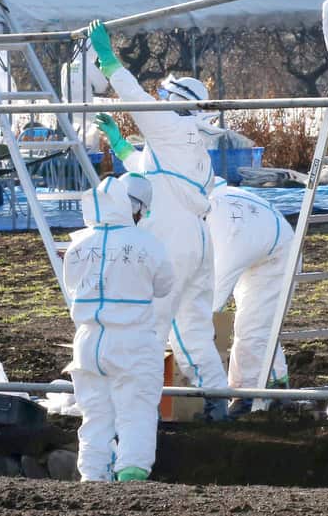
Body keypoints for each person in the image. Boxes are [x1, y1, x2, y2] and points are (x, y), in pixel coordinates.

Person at [87, 21, 228, 420]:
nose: (160, 97)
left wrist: (110, 62)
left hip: (173, 240)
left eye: (165, 94)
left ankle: (139, 411)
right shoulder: (189, 143)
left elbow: (134, 97)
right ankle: (218, 404)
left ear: (176, 100)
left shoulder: (172, 125)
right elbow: (157, 179)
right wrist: (120, 145)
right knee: (194, 329)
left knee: (153, 325)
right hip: (199, 243)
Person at [64, 176, 173, 482]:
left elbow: (71, 285)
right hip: (132, 339)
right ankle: (131, 478)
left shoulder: (77, 245)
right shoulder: (147, 244)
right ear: (136, 208)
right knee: (136, 411)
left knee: (95, 417)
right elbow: (164, 286)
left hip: (87, 343)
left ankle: (92, 478)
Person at [207, 177, 291, 416]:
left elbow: (216, 288)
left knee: (253, 328)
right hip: (259, 251)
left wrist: (193, 323)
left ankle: (259, 395)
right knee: (258, 327)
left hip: (276, 258)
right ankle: (260, 387)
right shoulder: (217, 204)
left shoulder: (226, 225)